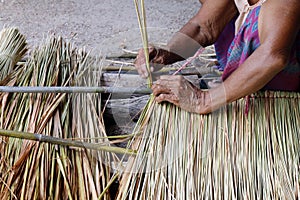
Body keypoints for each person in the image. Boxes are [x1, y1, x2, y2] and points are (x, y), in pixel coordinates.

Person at [134, 0, 300, 114]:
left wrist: (203, 100)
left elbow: (272, 56)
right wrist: (166, 53)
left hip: (283, 88)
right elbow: (203, 28)